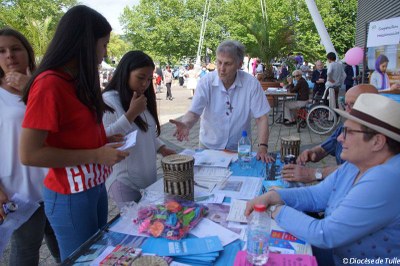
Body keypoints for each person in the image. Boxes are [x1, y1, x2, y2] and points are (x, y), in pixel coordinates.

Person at [19, 6, 129, 261]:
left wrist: (102, 141)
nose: (105, 52)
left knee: (99, 255)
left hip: (94, 186)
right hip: (69, 194)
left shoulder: (76, 80)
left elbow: (72, 133)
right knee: (83, 259)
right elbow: (30, 153)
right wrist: (96, 153)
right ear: (85, 43)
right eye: (104, 45)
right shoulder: (50, 83)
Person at [246, 93, 400, 265]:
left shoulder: (387, 179)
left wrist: (275, 209)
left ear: (377, 142)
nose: (340, 138)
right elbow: (317, 196)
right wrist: (275, 196)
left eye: (348, 132)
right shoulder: (357, 163)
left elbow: (325, 234)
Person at [0, 27, 60, 265]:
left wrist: (31, 88)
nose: (9, 56)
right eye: (1, 51)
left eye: (15, 49)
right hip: (20, 192)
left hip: (56, 184)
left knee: (65, 248)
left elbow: (65, 124)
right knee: (25, 251)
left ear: (28, 52)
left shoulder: (45, 86)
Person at [170, 40, 274, 163]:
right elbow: (194, 112)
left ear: (239, 64)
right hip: (209, 147)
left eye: (228, 64)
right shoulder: (206, 82)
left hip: (240, 149)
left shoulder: (251, 84)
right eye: (219, 62)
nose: (221, 69)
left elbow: (261, 118)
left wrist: (262, 147)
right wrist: (186, 124)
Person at [102, 51, 175, 208]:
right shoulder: (108, 100)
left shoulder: (138, 97)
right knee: (136, 225)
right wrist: (131, 114)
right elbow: (105, 137)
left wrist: (162, 148)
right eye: (140, 77)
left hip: (147, 177)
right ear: (125, 72)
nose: (145, 84)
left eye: (149, 79)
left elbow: (144, 131)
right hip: (125, 181)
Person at [282, 84, 378, 183]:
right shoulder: (343, 128)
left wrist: (314, 173)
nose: (347, 110)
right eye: (345, 104)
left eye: (353, 104)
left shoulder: (374, 135)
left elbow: (355, 169)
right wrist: (311, 153)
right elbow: (323, 149)